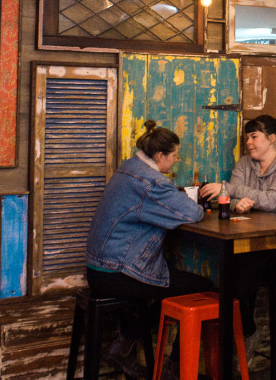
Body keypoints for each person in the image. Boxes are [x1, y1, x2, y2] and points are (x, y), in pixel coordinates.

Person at [86, 120, 214, 380]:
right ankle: (175, 368)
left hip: (99, 268)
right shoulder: (152, 182)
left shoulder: (129, 168)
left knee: (172, 289)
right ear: (159, 156)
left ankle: (126, 343)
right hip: (118, 273)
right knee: (204, 290)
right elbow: (193, 212)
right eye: (174, 155)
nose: (176, 160)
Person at [199, 115, 276, 375]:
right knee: (234, 278)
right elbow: (231, 196)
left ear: (272, 139)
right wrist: (236, 200)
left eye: (254, 137)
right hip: (257, 243)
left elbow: (272, 201)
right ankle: (249, 332)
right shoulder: (244, 164)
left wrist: (231, 189)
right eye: (247, 137)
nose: (248, 142)